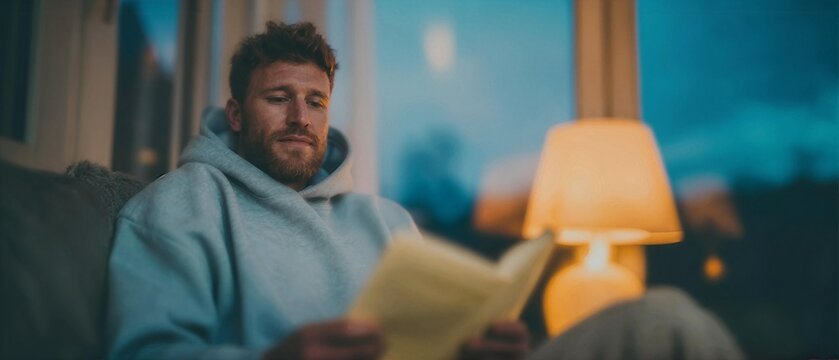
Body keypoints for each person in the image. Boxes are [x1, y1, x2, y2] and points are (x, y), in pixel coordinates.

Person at [107, 21, 529, 360]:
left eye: (316, 102)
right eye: (278, 98)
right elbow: (142, 351)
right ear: (235, 115)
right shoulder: (181, 204)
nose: (300, 118)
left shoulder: (389, 220)